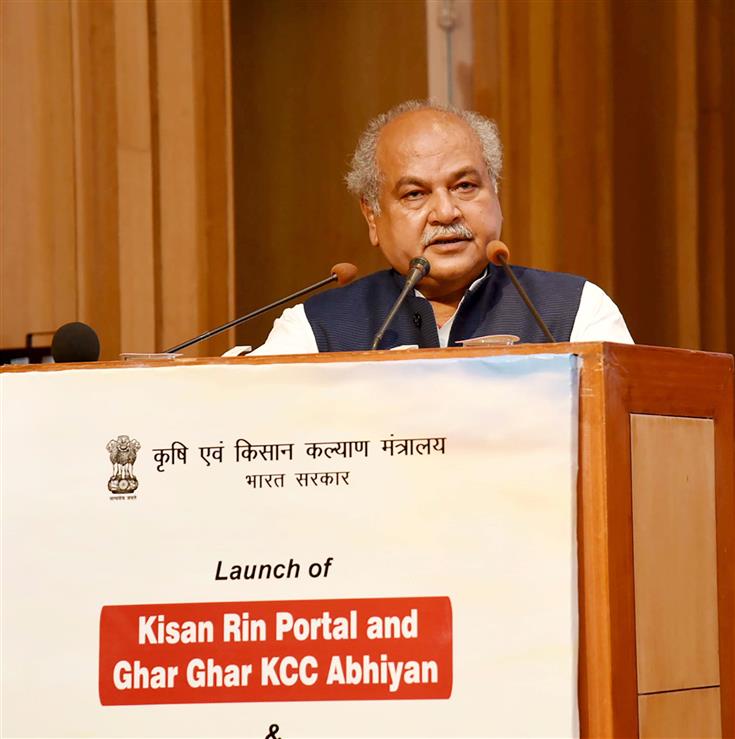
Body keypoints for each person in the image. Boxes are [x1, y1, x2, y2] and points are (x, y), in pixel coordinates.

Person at [247, 100, 632, 355]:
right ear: (372, 216)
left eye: (465, 186)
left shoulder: (576, 313)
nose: (446, 212)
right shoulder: (315, 332)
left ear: (495, 194)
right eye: (415, 194)